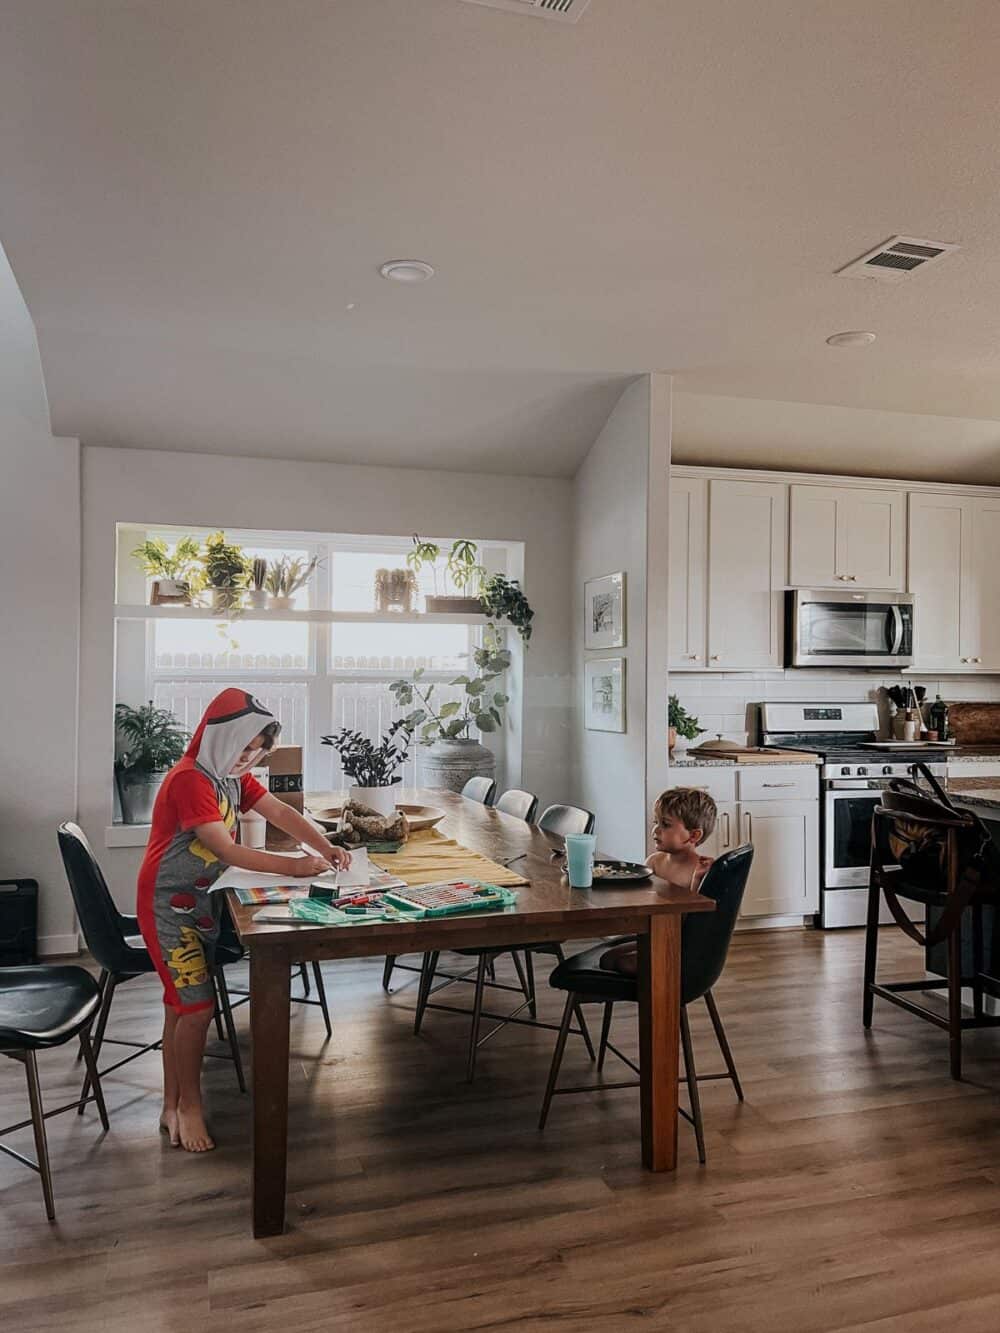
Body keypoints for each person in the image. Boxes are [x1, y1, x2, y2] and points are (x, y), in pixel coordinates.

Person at [136, 688, 351, 1153]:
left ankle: (172, 1104)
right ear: (218, 737)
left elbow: (281, 812)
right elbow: (226, 849)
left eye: (257, 752)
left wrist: (324, 844)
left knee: (181, 1006)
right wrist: (296, 866)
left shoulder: (231, 777)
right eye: (243, 747)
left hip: (198, 904)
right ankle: (189, 1108)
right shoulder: (191, 779)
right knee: (195, 1009)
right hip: (167, 910)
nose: (247, 759)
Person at [599, 787, 717, 977]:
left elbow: (695, 921)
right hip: (653, 935)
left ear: (694, 835)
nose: (655, 829)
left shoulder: (701, 870)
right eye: (656, 822)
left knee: (623, 963)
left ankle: (662, 999)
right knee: (607, 960)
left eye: (666, 824)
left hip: (679, 945)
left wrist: (697, 879)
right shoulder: (653, 861)